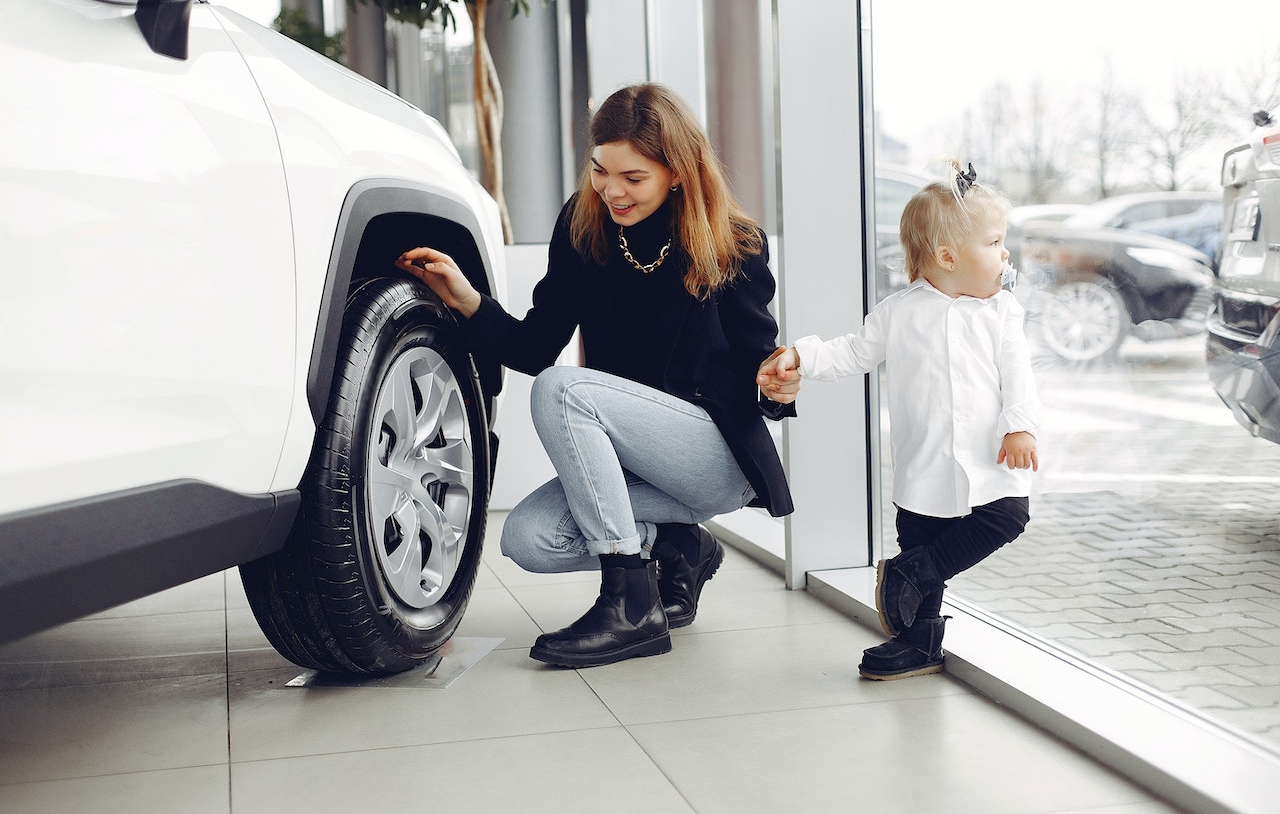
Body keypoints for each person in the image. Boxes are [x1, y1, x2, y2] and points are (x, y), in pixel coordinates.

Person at [396, 82, 797, 669]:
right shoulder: (583, 228)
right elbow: (536, 346)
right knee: (527, 539)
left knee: (563, 390)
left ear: (678, 172)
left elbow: (760, 360)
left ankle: (631, 604)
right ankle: (680, 546)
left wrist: (777, 383)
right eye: (600, 170)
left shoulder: (733, 243)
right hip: (637, 460)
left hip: (713, 456)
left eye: (633, 177)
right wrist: (468, 301)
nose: (612, 190)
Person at [756, 162, 1039, 681]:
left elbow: (1019, 373)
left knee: (1007, 517)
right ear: (949, 256)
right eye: (996, 243)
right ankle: (919, 641)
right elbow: (852, 352)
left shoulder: (1003, 313)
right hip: (923, 461)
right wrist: (802, 355)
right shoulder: (900, 311)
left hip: (987, 455)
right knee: (921, 535)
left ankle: (912, 573)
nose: (1006, 255)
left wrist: (1020, 425)